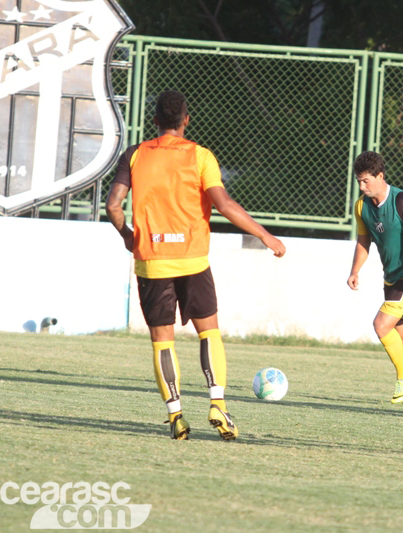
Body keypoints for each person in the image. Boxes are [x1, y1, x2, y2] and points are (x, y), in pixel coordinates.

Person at [105, 90, 286, 440]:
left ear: (155, 121)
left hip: (152, 262)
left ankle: (175, 416)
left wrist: (128, 235)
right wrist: (265, 235)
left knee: (162, 341)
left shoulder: (135, 154)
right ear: (186, 120)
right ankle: (217, 404)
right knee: (209, 332)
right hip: (192, 259)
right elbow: (224, 204)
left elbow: (113, 204)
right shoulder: (200, 156)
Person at [347, 151, 403, 406]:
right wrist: (355, 270)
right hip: (392, 277)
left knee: (381, 325)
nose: (362, 186)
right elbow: (364, 241)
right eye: (359, 181)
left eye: (366, 181)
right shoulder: (362, 207)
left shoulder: (402, 201)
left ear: (380, 176)